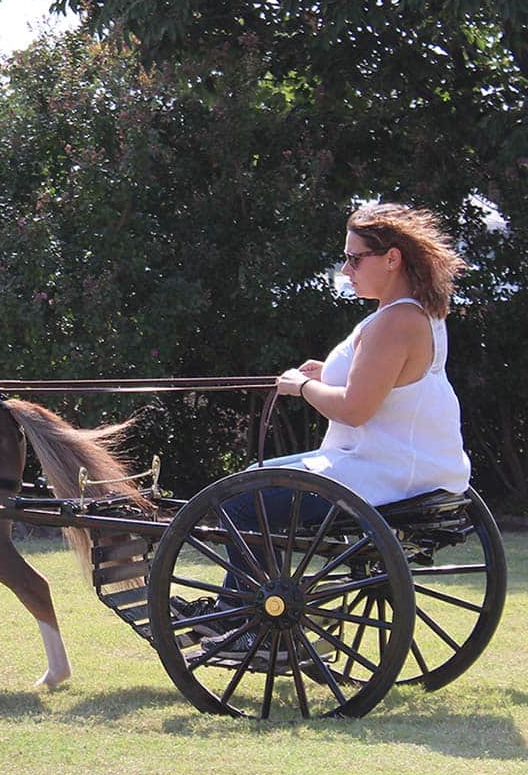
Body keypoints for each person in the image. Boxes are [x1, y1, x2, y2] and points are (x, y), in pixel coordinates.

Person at [192, 202, 472, 659]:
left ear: (392, 258)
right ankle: (238, 616)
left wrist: (303, 387)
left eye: (354, 258)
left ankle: (246, 627)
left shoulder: (394, 321)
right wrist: (328, 373)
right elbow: (387, 384)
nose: (346, 269)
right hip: (395, 465)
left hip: (375, 472)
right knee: (249, 484)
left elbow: (357, 409)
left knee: (241, 499)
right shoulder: (415, 313)